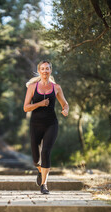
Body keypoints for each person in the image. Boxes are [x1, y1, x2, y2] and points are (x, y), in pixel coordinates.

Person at [23, 60, 69, 194]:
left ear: (50, 70)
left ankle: (44, 184)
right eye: (42, 69)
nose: (45, 71)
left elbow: (65, 104)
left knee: (46, 152)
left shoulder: (56, 88)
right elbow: (26, 107)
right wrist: (40, 103)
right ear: (39, 71)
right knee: (36, 159)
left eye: (47, 69)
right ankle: (40, 171)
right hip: (35, 125)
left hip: (51, 124)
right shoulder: (32, 87)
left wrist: (65, 110)